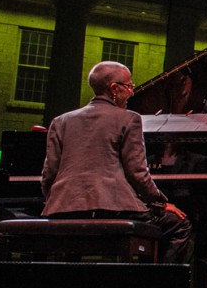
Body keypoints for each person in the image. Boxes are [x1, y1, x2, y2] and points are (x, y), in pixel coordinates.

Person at [41, 61, 192, 263]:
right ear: (114, 88)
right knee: (179, 225)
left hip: (63, 209)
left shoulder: (61, 121)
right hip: (113, 208)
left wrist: (58, 202)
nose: (131, 93)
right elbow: (137, 173)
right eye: (129, 86)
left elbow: (49, 174)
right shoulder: (129, 119)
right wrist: (161, 203)